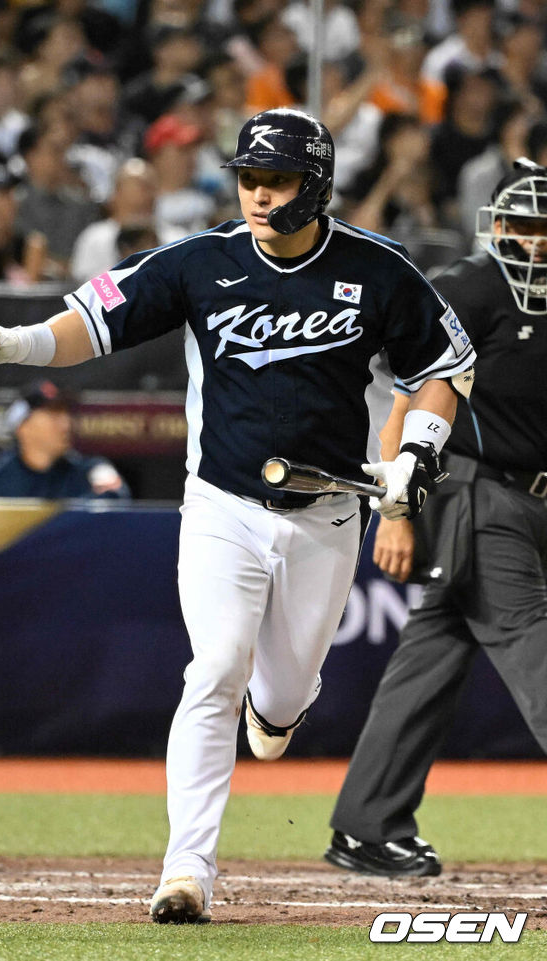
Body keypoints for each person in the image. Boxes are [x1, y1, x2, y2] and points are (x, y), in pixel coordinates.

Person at [0, 107, 475, 923]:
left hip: (327, 513)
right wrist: (12, 342)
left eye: (277, 180)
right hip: (222, 505)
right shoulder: (202, 261)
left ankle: (278, 707)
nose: (259, 195)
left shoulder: (377, 270)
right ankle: (186, 869)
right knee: (213, 666)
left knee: (284, 700)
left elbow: (447, 362)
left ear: (318, 184)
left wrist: (418, 452)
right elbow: (91, 322)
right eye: (249, 179)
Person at [326, 159, 547, 878]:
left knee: (431, 657)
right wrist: (394, 511)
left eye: (546, 228)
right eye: (523, 225)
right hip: (478, 499)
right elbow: (407, 403)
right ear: (498, 226)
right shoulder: (470, 289)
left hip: (529, 500)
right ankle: (369, 821)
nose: (536, 243)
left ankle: (368, 824)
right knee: (532, 641)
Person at [0, 380, 130, 498]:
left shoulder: (89, 472)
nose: (65, 424)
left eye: (66, 413)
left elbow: (116, 503)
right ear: (22, 426)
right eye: (53, 414)